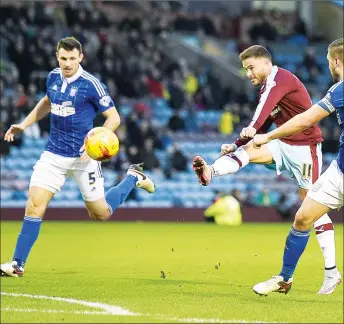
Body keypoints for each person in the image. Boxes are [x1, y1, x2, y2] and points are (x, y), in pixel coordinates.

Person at [1, 37, 155, 278]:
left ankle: (132, 177)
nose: (67, 63)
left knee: (100, 214)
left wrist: (94, 143)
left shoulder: (91, 84)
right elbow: (46, 102)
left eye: (72, 58)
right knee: (34, 206)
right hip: (52, 155)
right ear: (57, 57)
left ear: (80, 58)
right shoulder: (52, 77)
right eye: (63, 58)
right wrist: (24, 124)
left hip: (84, 159)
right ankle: (17, 264)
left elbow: (114, 118)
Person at [192, 45, 339, 293]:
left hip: (306, 148)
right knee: (247, 152)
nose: (248, 73)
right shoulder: (268, 87)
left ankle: (331, 271)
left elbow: (260, 118)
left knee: (311, 209)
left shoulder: (278, 79)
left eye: (251, 68)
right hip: (281, 143)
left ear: (265, 63)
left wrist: (251, 128)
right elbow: (267, 121)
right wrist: (237, 143)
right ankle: (210, 172)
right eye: (245, 69)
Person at [252, 38, 343, 296]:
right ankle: (284, 278)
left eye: (328, 62)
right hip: (340, 170)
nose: (328, 66)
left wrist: (268, 136)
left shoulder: (340, 89)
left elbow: (306, 119)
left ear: (335, 61)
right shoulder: (338, 90)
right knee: (303, 217)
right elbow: (305, 118)